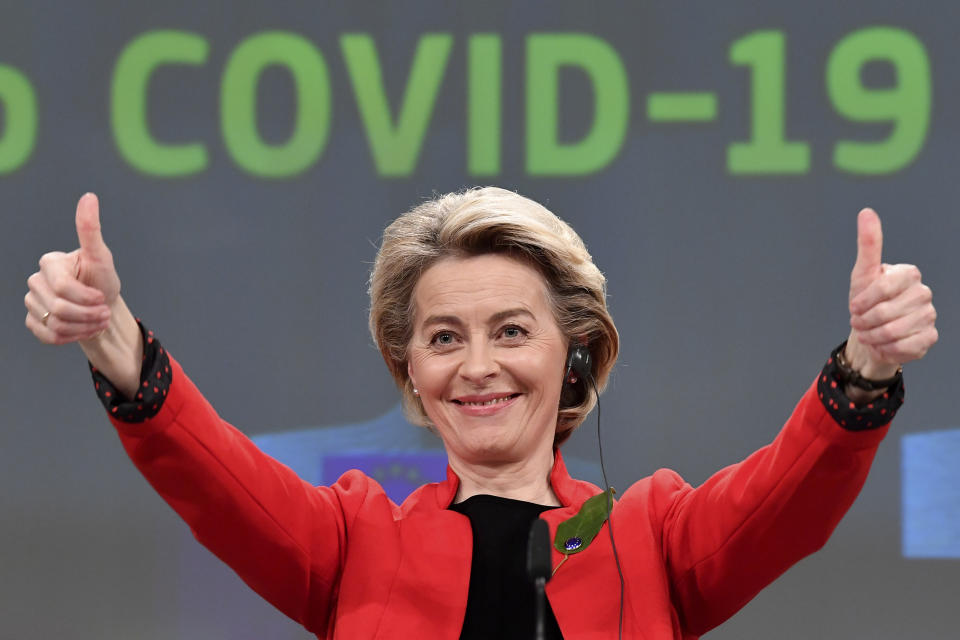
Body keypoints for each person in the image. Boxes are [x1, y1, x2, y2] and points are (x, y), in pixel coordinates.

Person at [24, 187, 937, 639]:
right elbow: (219, 481)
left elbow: (789, 497)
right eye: (444, 339)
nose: (478, 366)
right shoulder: (352, 539)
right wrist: (113, 339)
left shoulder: (652, 535)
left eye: (510, 330)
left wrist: (866, 364)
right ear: (411, 371)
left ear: (573, 350)